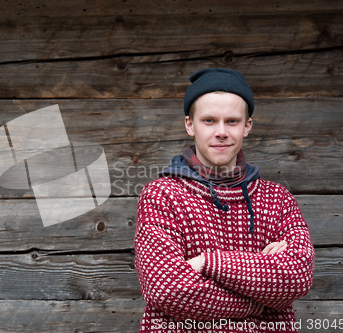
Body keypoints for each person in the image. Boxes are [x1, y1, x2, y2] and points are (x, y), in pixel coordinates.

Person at [134, 68, 315, 332]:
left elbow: (297, 275)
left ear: (247, 127)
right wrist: (259, 301)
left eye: (232, 121)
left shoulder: (277, 199)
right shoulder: (163, 195)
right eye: (209, 120)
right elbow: (167, 290)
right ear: (189, 125)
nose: (221, 132)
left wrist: (207, 263)